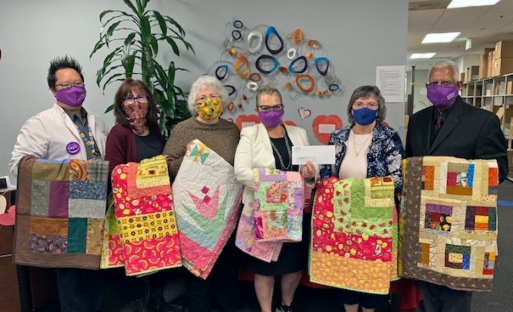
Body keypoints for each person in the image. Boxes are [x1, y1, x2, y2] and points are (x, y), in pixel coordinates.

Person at [405, 59, 508, 312]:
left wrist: (451, 175)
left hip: (463, 224)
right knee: (427, 281)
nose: (439, 88)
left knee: (457, 287)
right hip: (426, 220)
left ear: (458, 85)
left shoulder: (482, 121)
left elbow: (499, 170)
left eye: (445, 83)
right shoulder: (417, 121)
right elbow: (411, 163)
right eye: (434, 83)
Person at [9, 55, 108, 312]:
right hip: (64, 216)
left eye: (78, 83)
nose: (73, 89)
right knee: (71, 284)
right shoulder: (41, 123)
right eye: (65, 85)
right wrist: (70, 171)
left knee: (98, 282)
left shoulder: (98, 122)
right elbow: (19, 165)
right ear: (53, 90)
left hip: (96, 213)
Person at [319, 85, 404, 312]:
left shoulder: (389, 137)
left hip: (375, 216)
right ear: (351, 108)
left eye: (370, 104)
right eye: (359, 104)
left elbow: (398, 179)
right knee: (346, 267)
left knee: (372, 270)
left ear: (379, 109)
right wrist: (314, 177)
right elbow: (326, 174)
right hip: (343, 212)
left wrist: (360, 188)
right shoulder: (338, 136)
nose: (364, 108)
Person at [234, 85, 316, 312]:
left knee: (294, 264)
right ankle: (266, 309)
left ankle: (286, 305)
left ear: (283, 108)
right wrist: (283, 181)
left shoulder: (298, 133)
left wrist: (309, 175)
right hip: (263, 210)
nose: (271, 112)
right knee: (264, 266)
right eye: (265, 107)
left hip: (293, 210)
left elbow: (309, 172)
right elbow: (241, 172)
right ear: (257, 109)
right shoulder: (249, 134)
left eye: (276, 107)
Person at [163, 75, 241, 312]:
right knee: (197, 274)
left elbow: (239, 166)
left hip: (225, 211)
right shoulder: (183, 130)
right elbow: (166, 164)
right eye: (202, 98)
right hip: (195, 213)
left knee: (226, 270)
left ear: (223, 100)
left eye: (214, 96)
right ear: (194, 104)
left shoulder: (231, 131)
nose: (209, 102)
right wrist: (189, 160)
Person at [104, 78, 168, 312]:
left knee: (159, 255)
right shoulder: (119, 133)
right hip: (132, 210)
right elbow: (113, 171)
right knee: (137, 259)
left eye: (140, 96)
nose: (135, 102)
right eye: (129, 97)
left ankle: (157, 301)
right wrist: (149, 171)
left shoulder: (155, 129)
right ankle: (139, 304)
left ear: (149, 102)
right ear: (121, 105)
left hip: (158, 207)